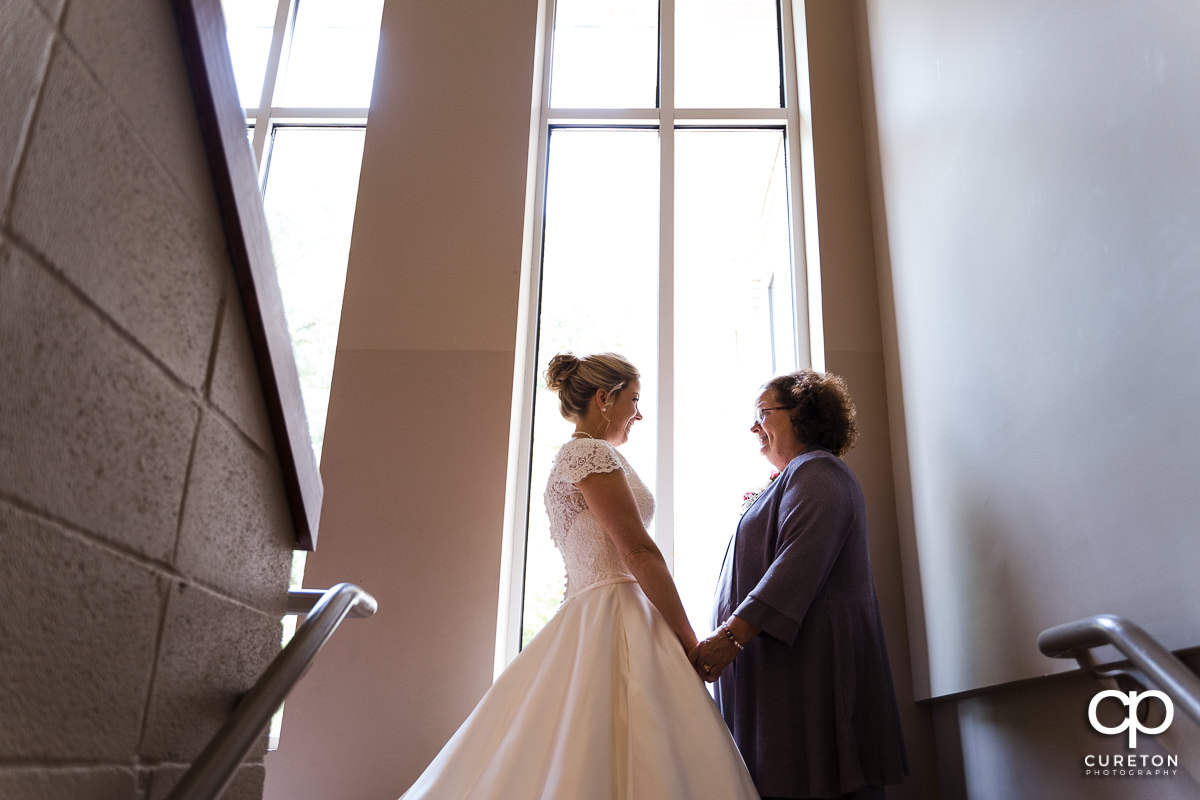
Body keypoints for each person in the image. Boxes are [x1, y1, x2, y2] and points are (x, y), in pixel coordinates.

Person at [400, 352, 759, 799]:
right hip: (613, 612)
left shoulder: (584, 455)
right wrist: (691, 643)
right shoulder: (589, 452)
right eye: (634, 399)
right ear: (604, 398)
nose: (639, 413)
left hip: (606, 609)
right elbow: (637, 550)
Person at [691, 369, 908, 800]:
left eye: (763, 413)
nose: (754, 426)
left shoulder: (819, 472)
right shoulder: (796, 475)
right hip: (781, 671)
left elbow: (796, 565)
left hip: (810, 669)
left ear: (801, 415)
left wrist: (730, 637)